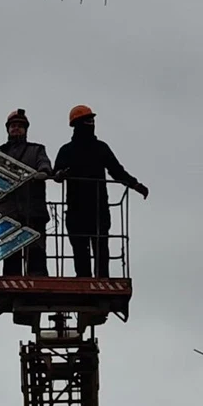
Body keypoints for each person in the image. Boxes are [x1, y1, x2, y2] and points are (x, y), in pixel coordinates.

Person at [53, 104, 148, 278]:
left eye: (92, 120)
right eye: (87, 120)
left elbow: (116, 171)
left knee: (101, 248)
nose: (91, 123)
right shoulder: (67, 150)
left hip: (98, 209)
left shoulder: (100, 148)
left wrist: (134, 184)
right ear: (77, 124)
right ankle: (85, 281)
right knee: (81, 249)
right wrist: (60, 174)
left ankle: (101, 280)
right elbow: (56, 173)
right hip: (77, 209)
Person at [0, 109, 53, 277]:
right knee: (11, 256)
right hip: (9, 212)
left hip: (33, 211)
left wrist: (44, 172)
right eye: (13, 126)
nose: (16, 128)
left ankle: (38, 284)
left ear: (25, 129)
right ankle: (11, 285)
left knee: (36, 255)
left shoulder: (36, 150)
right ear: (8, 129)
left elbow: (44, 164)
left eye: (20, 126)